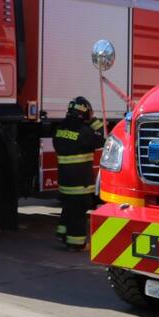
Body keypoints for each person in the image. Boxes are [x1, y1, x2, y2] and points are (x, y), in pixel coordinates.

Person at [52, 96, 104, 251]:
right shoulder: (84, 131)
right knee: (79, 210)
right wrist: (94, 120)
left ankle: (63, 234)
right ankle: (76, 244)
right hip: (80, 181)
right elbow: (101, 139)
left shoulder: (60, 129)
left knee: (69, 206)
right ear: (85, 112)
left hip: (65, 180)